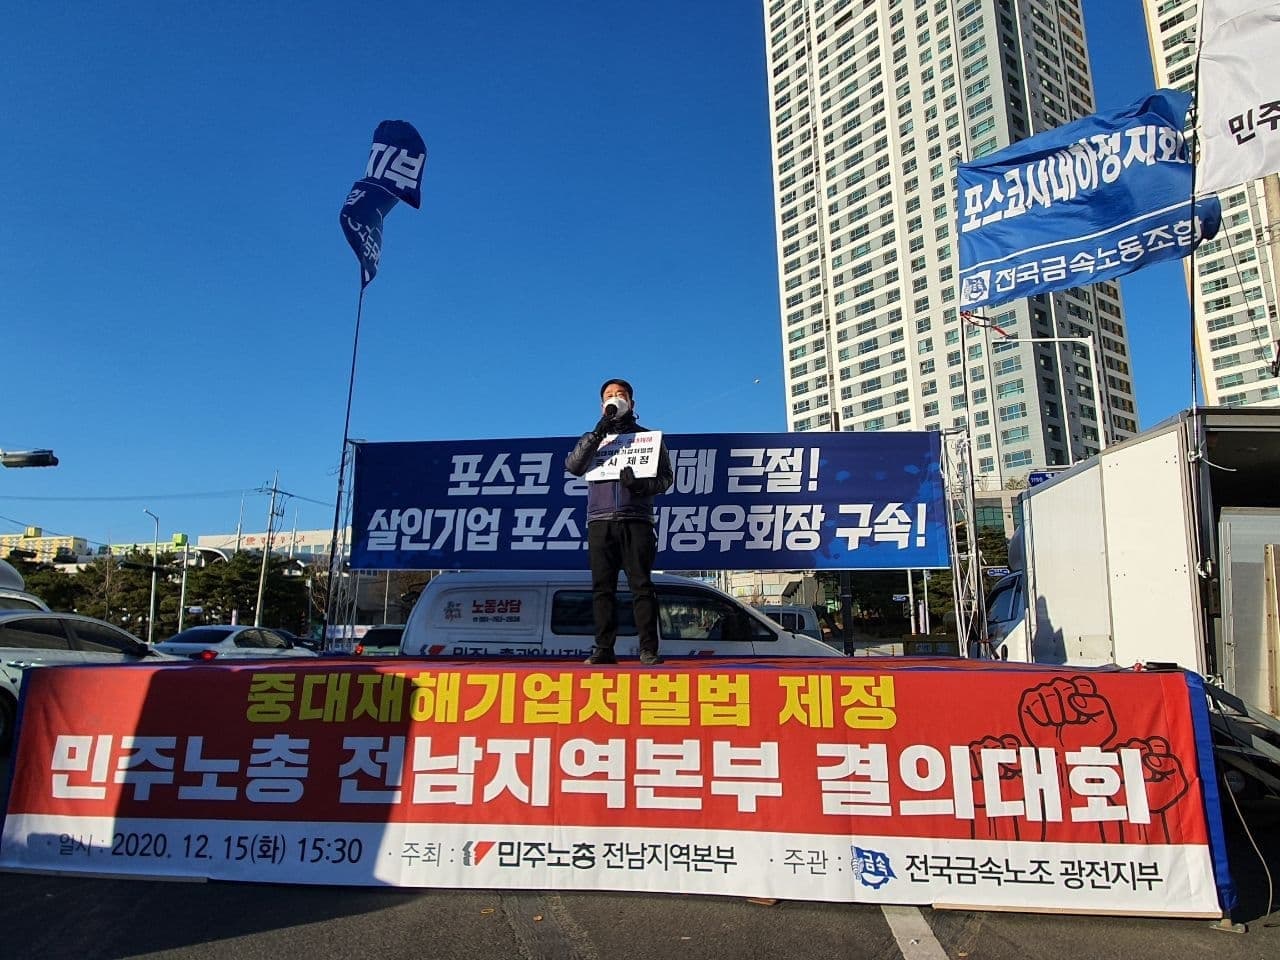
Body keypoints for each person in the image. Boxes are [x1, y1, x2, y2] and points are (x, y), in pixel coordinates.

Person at [566, 378, 674, 665]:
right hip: (600, 521)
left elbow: (666, 479)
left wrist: (640, 486)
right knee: (602, 588)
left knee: (642, 586)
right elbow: (573, 466)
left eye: (621, 394)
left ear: (631, 403)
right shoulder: (594, 437)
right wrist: (597, 433)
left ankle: (648, 649)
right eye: (609, 395)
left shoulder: (648, 439)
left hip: (636, 519)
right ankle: (603, 648)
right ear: (602, 405)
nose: (615, 398)